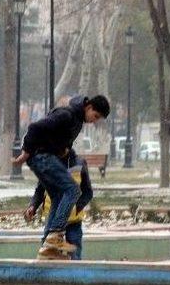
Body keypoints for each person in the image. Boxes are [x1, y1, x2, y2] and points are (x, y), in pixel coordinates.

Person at [13, 95, 109, 259]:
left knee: (58, 196)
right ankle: (55, 235)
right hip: (41, 156)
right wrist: (25, 152)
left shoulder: (77, 122)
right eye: (95, 116)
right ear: (89, 107)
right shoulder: (67, 115)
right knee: (72, 190)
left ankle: (48, 248)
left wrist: (63, 149)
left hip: (46, 157)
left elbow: (63, 143)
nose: (94, 121)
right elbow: (35, 127)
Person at [25, 149, 93, 260]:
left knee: (74, 254)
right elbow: (40, 191)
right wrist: (33, 206)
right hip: (53, 220)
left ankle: (75, 275)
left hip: (73, 222)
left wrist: (77, 207)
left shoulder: (79, 163)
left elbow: (88, 192)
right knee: (47, 253)